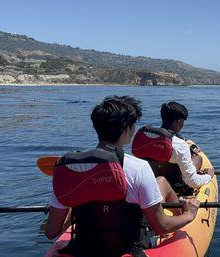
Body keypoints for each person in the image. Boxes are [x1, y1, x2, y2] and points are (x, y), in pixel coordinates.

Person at [44, 96, 199, 257]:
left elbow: (51, 232)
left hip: (83, 249)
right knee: (162, 184)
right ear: (127, 129)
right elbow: (162, 227)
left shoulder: (68, 168)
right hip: (129, 249)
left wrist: (74, 211)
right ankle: (179, 208)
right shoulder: (139, 168)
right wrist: (190, 214)